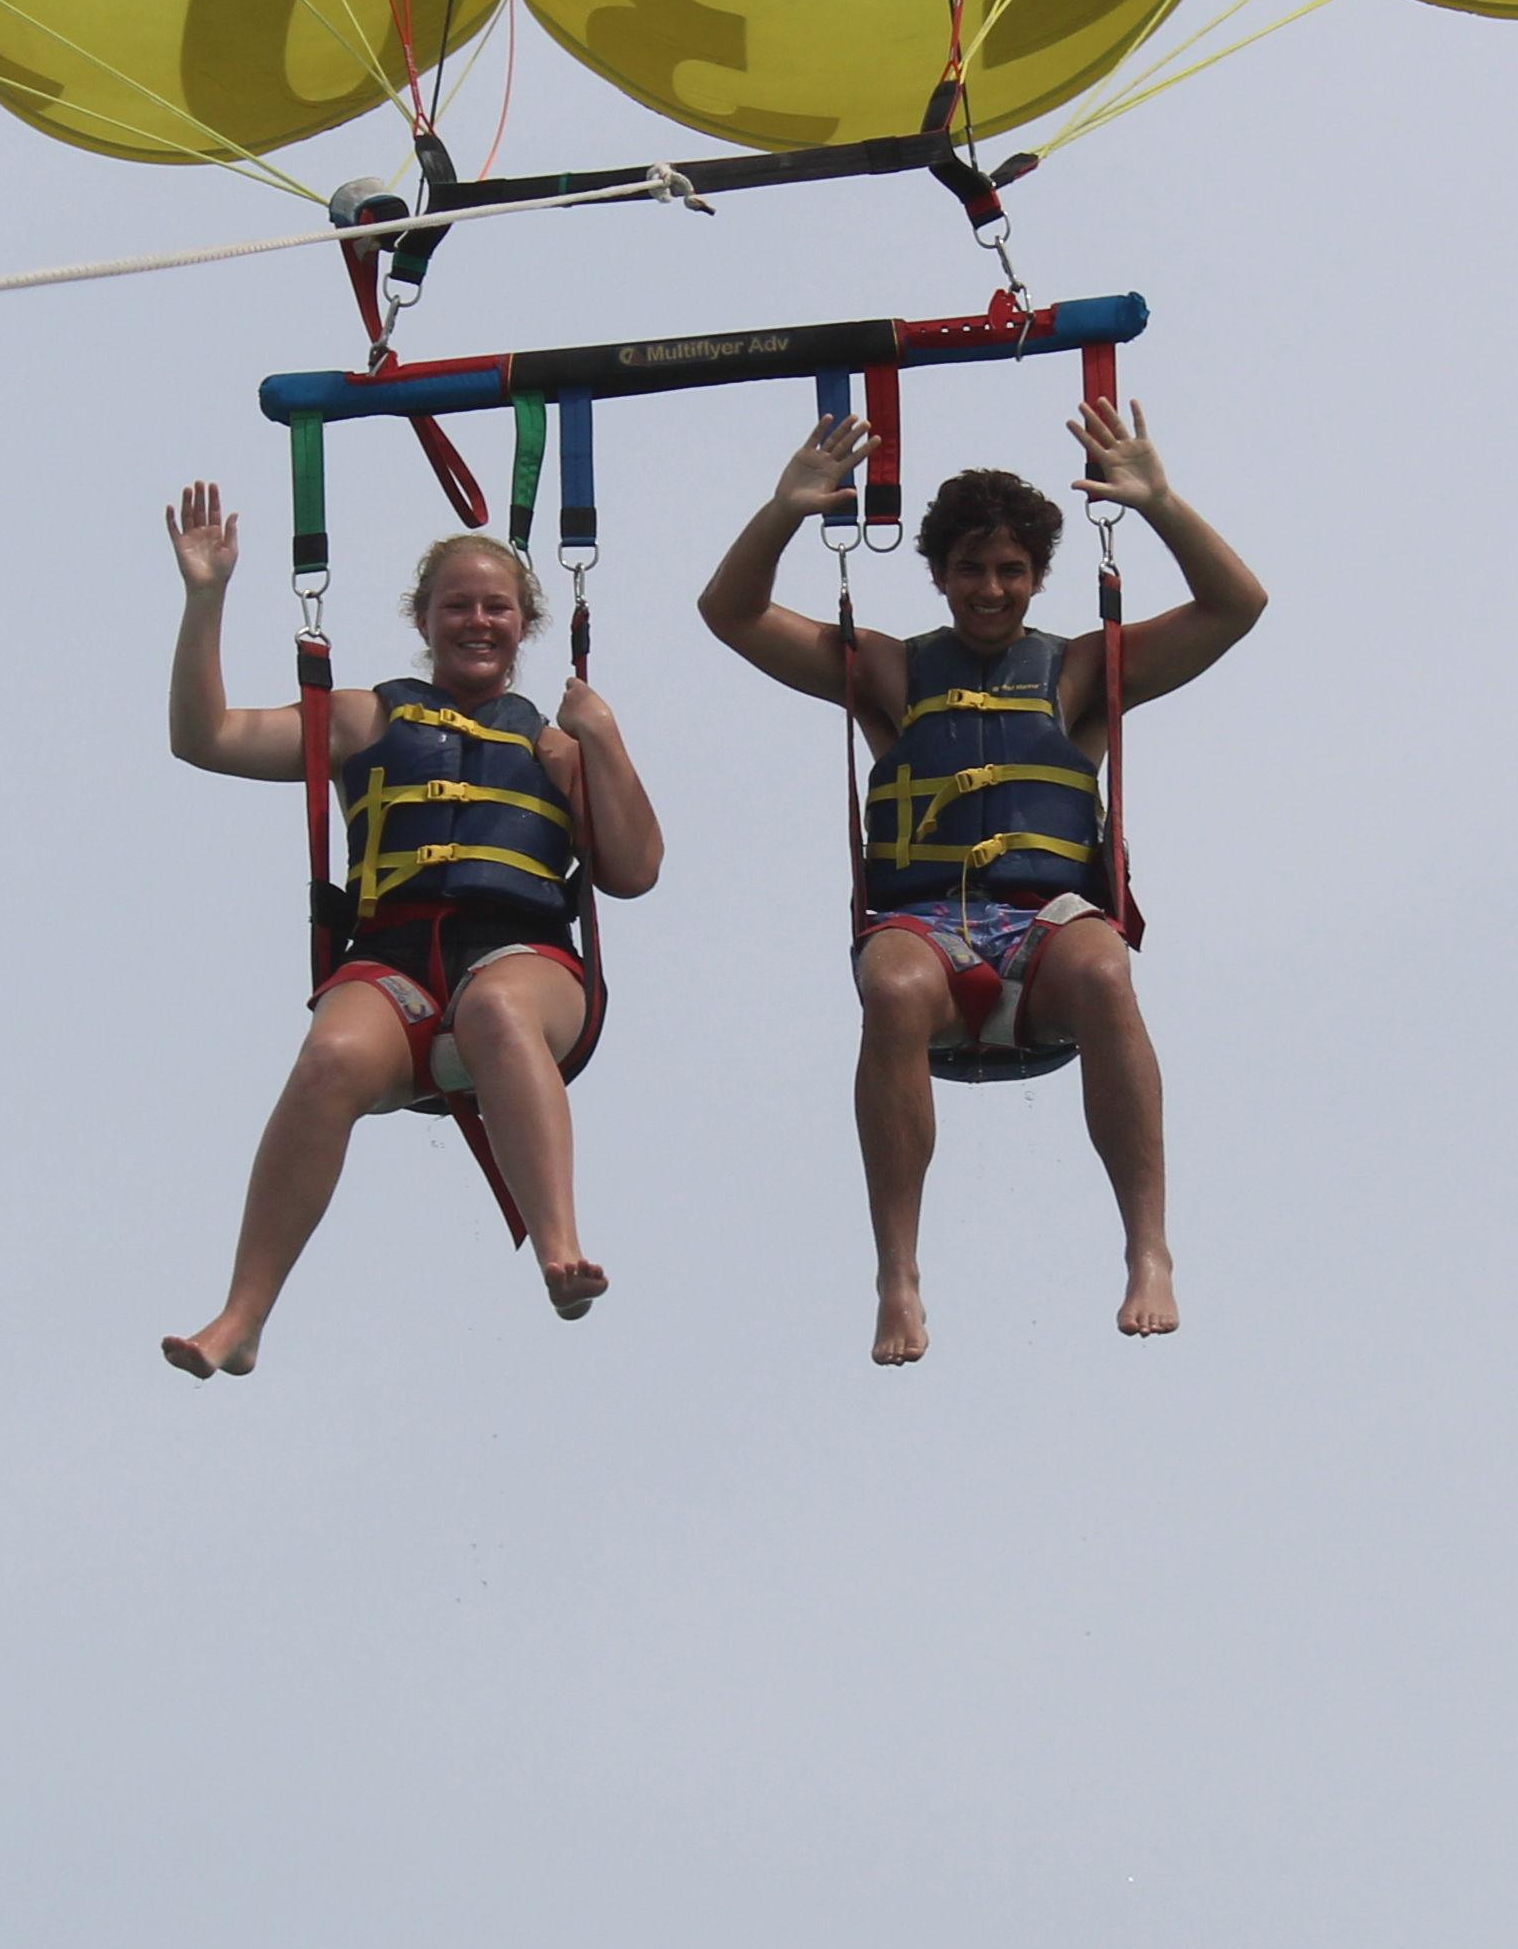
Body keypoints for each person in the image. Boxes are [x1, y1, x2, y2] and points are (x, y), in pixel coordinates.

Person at [696, 398, 1265, 1362]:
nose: (991, 590)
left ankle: (1149, 1250)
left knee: (1107, 969)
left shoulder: (1081, 671)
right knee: (889, 984)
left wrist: (1160, 502)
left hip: (1047, 930)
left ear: (1040, 577)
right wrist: (785, 509)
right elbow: (732, 613)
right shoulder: (891, 670)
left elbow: (1235, 606)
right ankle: (899, 1277)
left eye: (1011, 572)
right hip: (925, 929)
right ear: (939, 575)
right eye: (971, 569)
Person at [158, 496, 664, 1378]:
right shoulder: (364, 718)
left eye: (496, 607)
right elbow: (205, 738)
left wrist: (604, 741)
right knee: (326, 1060)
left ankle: (560, 1246)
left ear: (526, 624)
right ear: (424, 619)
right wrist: (207, 598)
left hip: (524, 957)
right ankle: (241, 1319)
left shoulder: (555, 744)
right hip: (391, 961)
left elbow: (635, 868)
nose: (477, 621)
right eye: (458, 606)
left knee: (499, 1013)